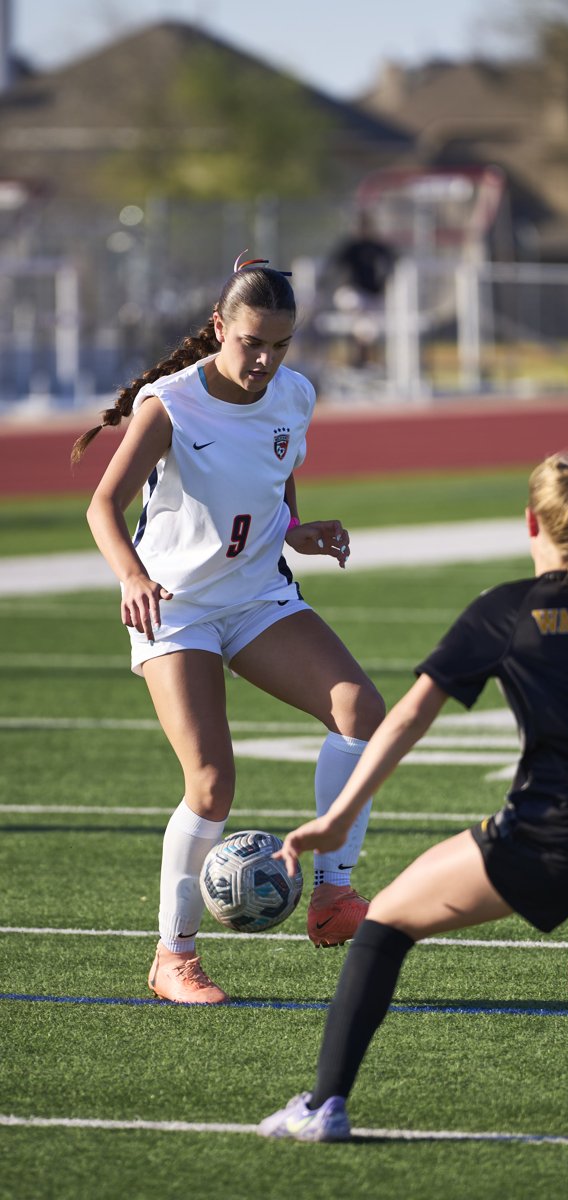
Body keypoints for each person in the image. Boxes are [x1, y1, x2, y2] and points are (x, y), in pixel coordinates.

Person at [258, 451, 568, 1143]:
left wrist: (337, 819)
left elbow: (404, 719)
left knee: (384, 926)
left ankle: (322, 1106)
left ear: (531, 519)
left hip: (551, 830)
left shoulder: (508, 610)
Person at [71, 253, 385, 1005]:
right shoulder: (170, 404)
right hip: (175, 605)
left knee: (362, 712)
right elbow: (101, 507)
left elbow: (274, 477)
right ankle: (173, 957)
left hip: (254, 599)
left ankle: (334, 895)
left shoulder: (294, 394)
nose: (266, 360)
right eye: (252, 343)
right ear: (219, 328)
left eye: (281, 344)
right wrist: (133, 576)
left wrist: (297, 530)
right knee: (211, 784)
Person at [322, 212, 396, 369]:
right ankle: (363, 359)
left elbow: (393, 264)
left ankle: (367, 360)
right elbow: (334, 264)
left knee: (368, 325)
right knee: (353, 304)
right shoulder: (351, 247)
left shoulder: (378, 248)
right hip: (354, 294)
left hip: (373, 297)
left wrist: (383, 282)